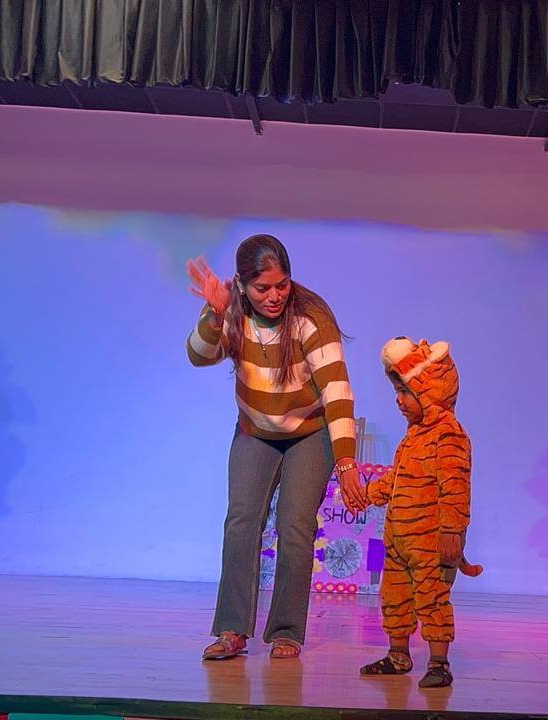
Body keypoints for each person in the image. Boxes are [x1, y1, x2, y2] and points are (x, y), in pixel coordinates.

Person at [186, 234, 367, 661]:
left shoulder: (310, 316)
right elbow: (198, 355)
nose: (274, 296)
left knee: (295, 527)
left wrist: (346, 461)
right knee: (242, 522)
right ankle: (232, 630)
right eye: (263, 288)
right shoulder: (231, 309)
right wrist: (215, 314)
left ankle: (286, 631)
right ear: (243, 284)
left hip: (309, 433)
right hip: (255, 431)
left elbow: (337, 392)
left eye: (281, 285)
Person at [354, 337, 480, 688]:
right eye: (397, 392)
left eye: (406, 393)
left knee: (432, 597)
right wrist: (368, 495)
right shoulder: (412, 437)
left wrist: (452, 533)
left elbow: (455, 487)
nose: (399, 401)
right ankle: (398, 654)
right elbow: (397, 478)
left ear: (430, 393)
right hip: (398, 539)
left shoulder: (449, 435)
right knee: (394, 596)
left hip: (430, 539)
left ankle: (439, 662)